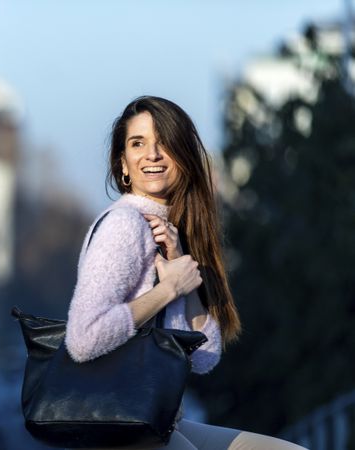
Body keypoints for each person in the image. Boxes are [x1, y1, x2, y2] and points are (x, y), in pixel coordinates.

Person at [64, 96, 307, 450]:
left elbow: (204, 356)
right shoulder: (124, 225)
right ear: (123, 165)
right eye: (138, 143)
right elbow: (83, 339)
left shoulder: (168, 234)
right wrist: (166, 290)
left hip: (161, 419)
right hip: (121, 420)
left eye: (164, 143)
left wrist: (182, 273)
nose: (152, 154)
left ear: (183, 157)